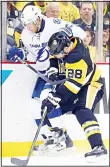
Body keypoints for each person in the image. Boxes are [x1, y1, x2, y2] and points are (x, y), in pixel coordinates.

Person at [8, 5, 86, 151]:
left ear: (38, 18)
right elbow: (34, 55)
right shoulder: (26, 34)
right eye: (26, 24)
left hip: (61, 68)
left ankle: (62, 138)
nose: (29, 27)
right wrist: (22, 54)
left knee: (46, 96)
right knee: (34, 104)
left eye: (31, 23)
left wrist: (66, 33)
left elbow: (80, 33)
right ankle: (50, 138)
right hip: (45, 73)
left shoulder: (53, 24)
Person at [40, 31, 107, 162]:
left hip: (91, 84)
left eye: (59, 53)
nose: (58, 55)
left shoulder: (77, 57)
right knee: (47, 107)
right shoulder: (70, 43)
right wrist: (53, 70)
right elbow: (55, 57)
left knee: (81, 109)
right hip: (76, 84)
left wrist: (55, 97)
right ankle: (62, 140)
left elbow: (73, 86)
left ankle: (99, 147)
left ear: (66, 47)